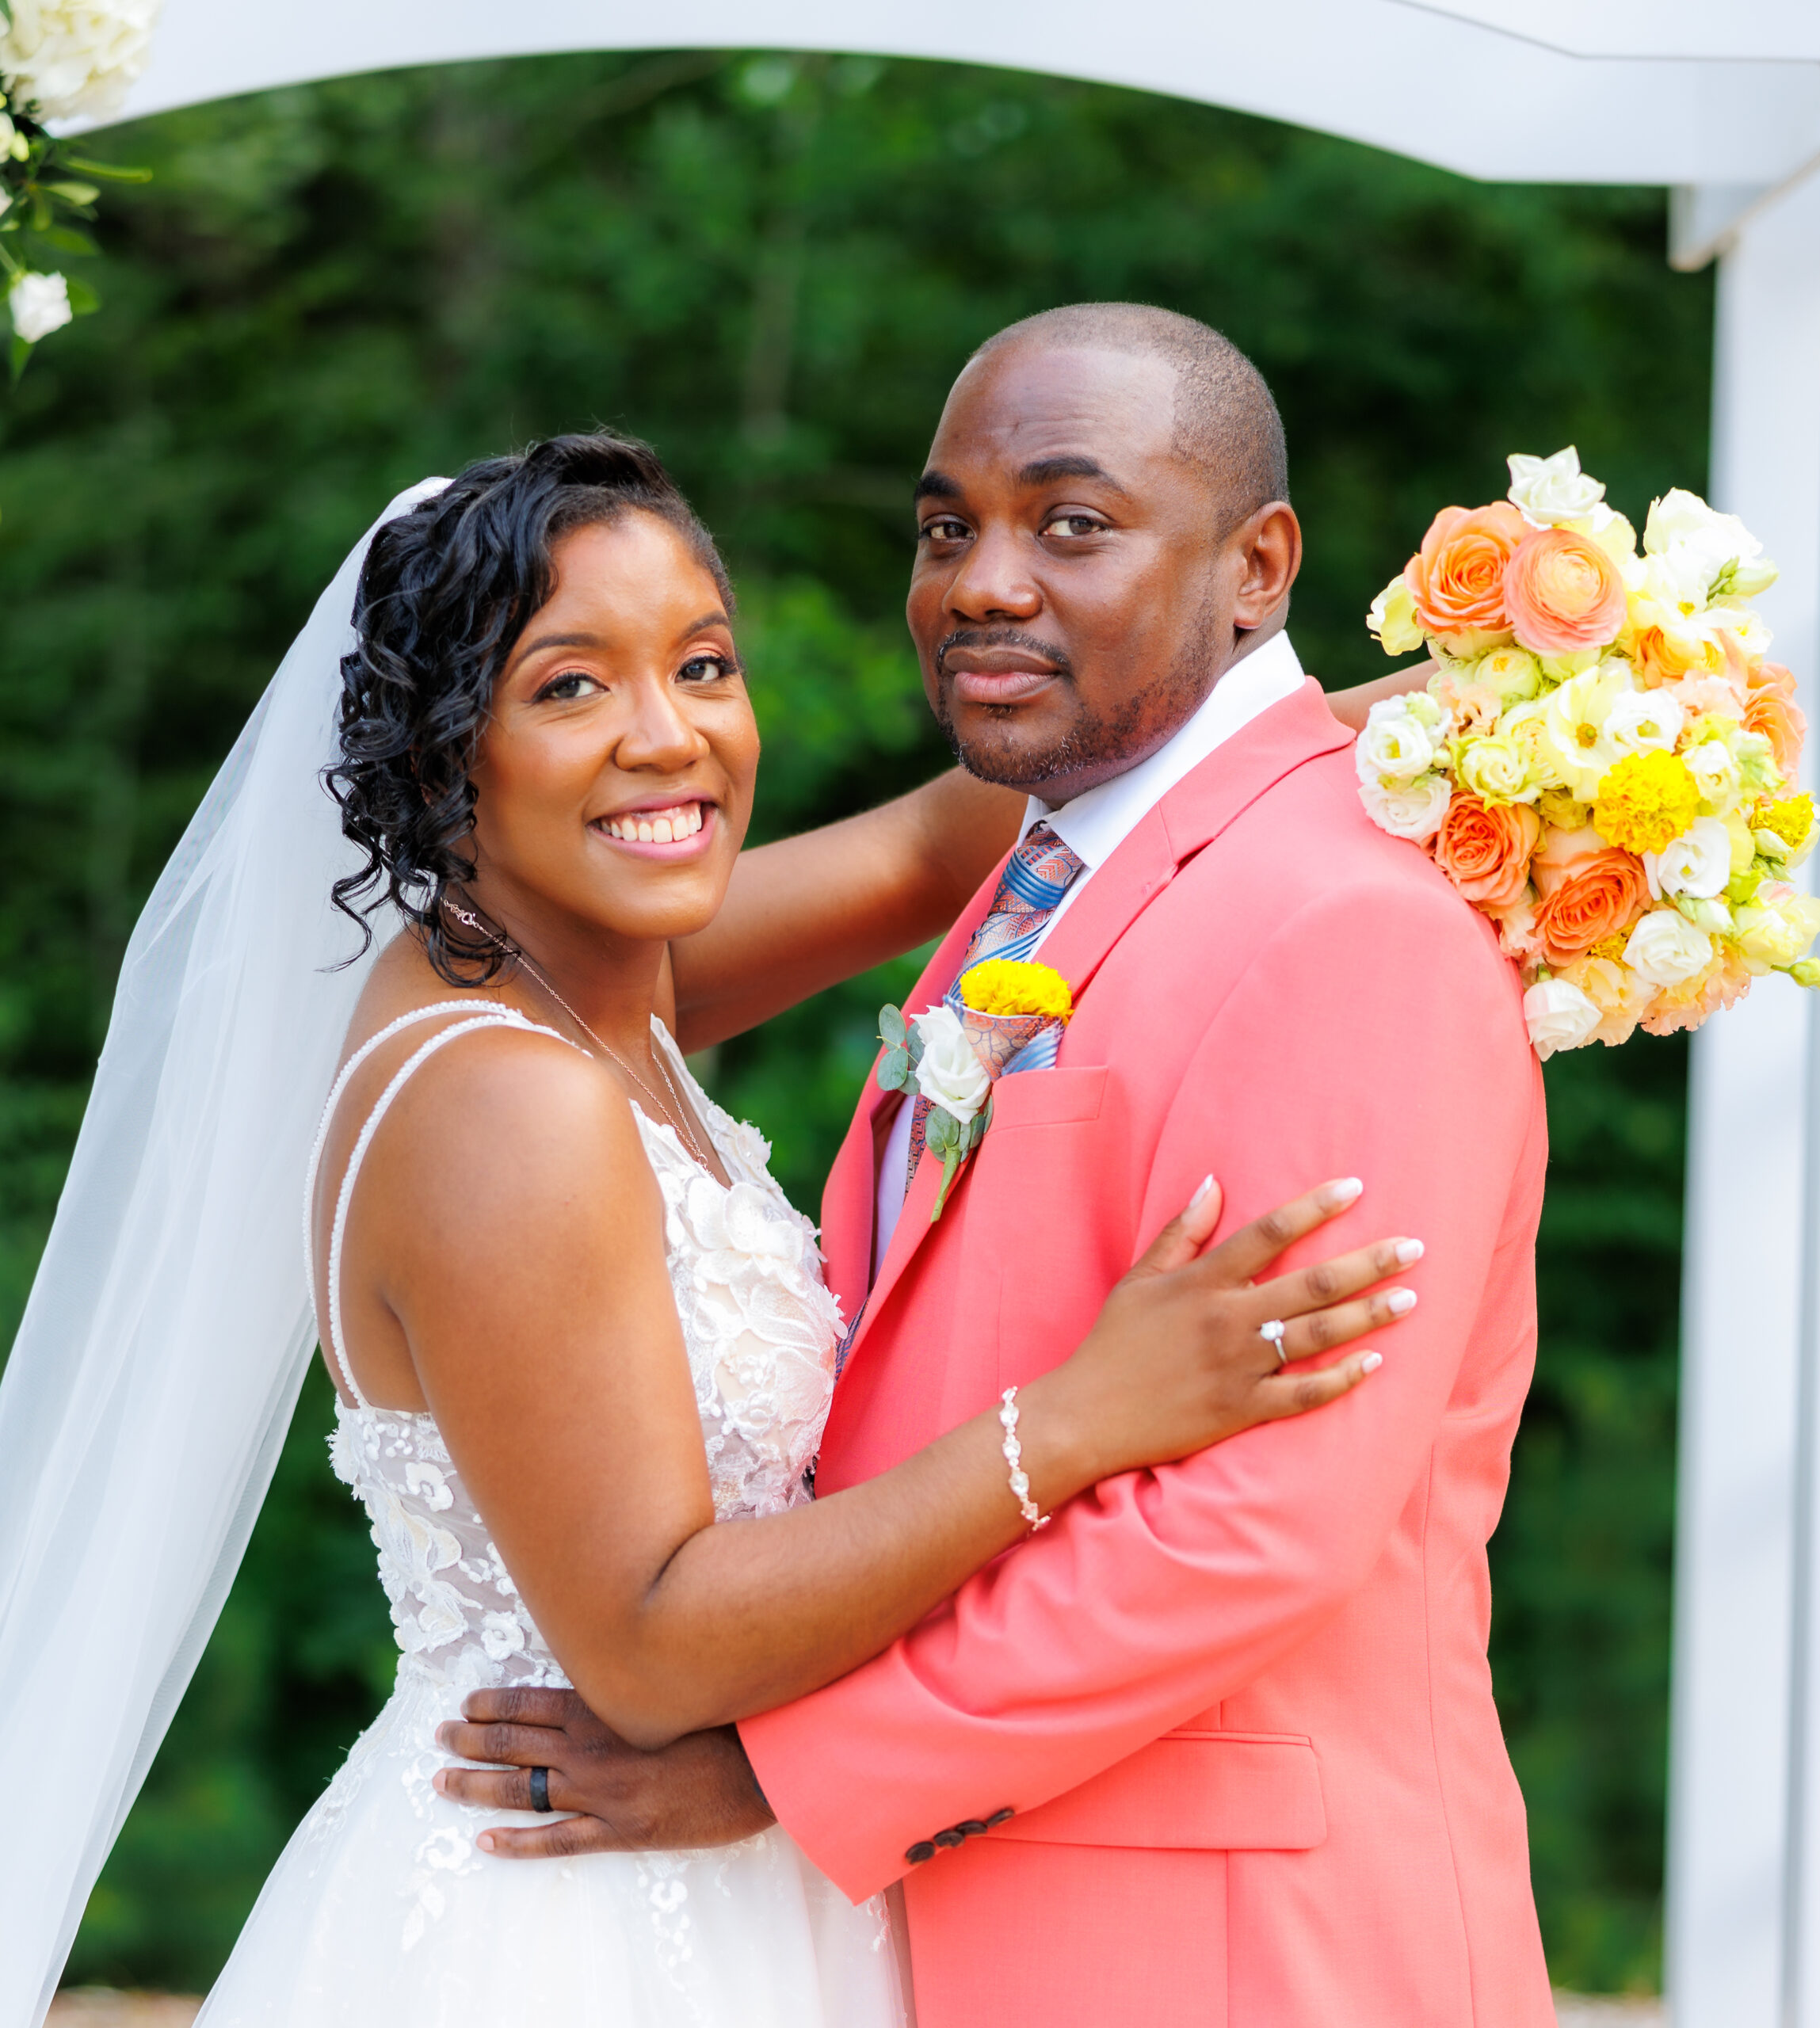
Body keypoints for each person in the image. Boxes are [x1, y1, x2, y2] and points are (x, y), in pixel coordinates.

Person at [43, 429, 1415, 2028]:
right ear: (441, 751)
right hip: (570, 1921)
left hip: (721, 1880)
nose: (667, 737)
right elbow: (647, 1643)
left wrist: (1458, 725)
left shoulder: (582, 987)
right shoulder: (507, 1101)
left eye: (701, 663)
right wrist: (1082, 1417)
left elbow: (924, 844)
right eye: (569, 686)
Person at [441, 307, 1555, 2028]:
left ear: (1258, 563)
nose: (978, 580)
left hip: (1241, 1955)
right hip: (998, 1919)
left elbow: (1258, 1528)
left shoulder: (1349, 924)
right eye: (947, 524)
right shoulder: (1074, 854)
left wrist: (791, 1771)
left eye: (1071, 521)